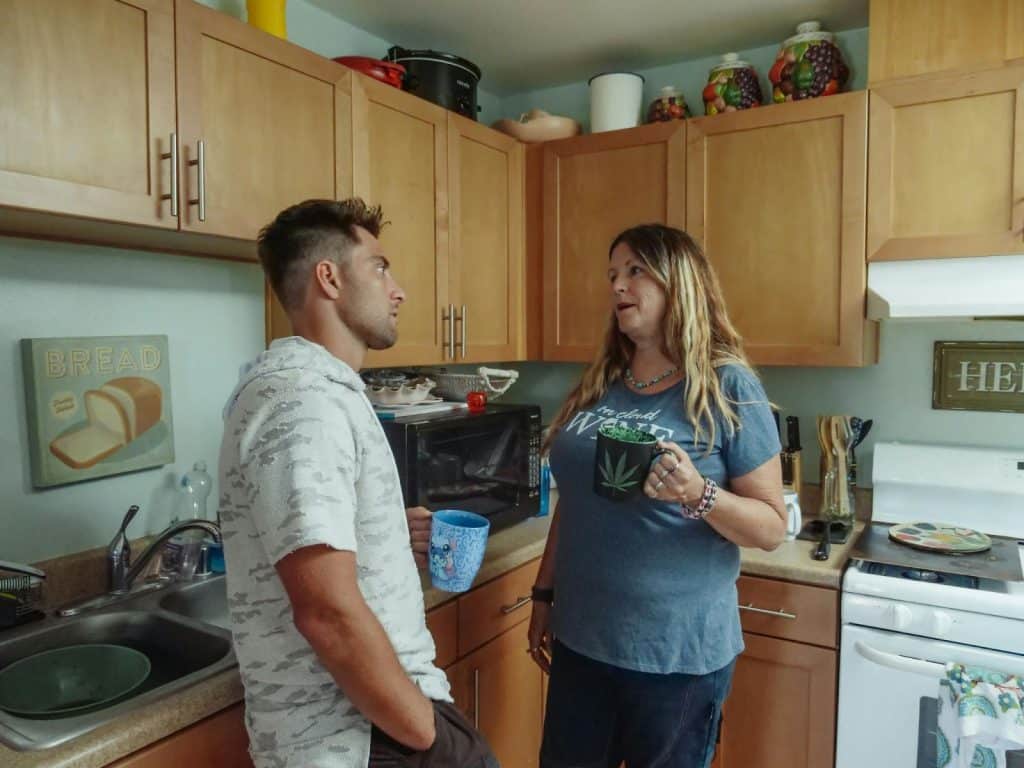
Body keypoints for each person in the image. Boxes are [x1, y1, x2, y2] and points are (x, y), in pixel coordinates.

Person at [218, 198, 498, 768]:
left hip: (376, 723)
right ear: (330, 278)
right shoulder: (301, 399)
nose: (398, 290)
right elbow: (327, 614)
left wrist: (385, 537)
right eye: (379, 267)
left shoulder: (323, 390)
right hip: (359, 739)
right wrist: (428, 736)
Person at [527, 224, 786, 768]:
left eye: (635, 271)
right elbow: (575, 502)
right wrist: (544, 596)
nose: (618, 286)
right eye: (613, 275)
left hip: (676, 658)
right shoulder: (603, 381)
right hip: (582, 639)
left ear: (680, 283)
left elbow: (770, 526)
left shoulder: (727, 385)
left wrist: (698, 492)